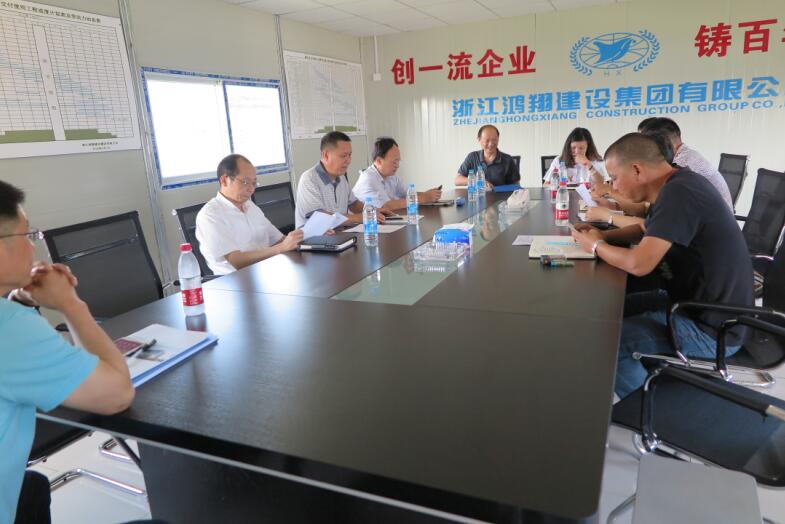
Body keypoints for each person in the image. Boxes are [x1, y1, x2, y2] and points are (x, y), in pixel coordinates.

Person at [571, 133, 752, 399]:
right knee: (605, 312)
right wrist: (604, 237)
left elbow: (639, 264)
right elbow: (647, 230)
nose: (613, 186)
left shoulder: (681, 193)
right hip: (687, 303)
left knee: (611, 344)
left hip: (713, 328)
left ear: (637, 170)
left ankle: (643, 407)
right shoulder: (677, 184)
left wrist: (596, 246)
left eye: (615, 177)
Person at [0, 180, 135, 522]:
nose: (33, 245)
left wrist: (16, 299)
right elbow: (116, 394)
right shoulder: (9, 327)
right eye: (27, 234)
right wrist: (70, 304)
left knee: (31, 487)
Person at [195, 154, 304, 275]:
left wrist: (301, 240)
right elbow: (237, 261)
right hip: (236, 280)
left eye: (254, 183)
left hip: (267, 272)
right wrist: (281, 248)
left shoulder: (250, 206)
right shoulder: (210, 215)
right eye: (245, 182)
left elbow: (278, 239)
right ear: (224, 180)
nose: (251, 189)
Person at [295, 131, 387, 228]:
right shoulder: (309, 179)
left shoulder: (341, 177)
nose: (348, 161)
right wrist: (360, 217)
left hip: (339, 233)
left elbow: (354, 204)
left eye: (350, 155)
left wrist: (373, 211)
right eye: (343, 156)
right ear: (326, 155)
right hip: (314, 236)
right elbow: (321, 218)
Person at [639, 117, 734, 211]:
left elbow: (660, 199)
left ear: (662, 142)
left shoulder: (682, 163)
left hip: (707, 216)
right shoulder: (686, 155)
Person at [353, 137, 441, 210]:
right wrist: (425, 197)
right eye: (394, 161)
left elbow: (409, 194)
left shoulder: (391, 176)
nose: (397, 165)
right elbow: (387, 206)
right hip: (361, 224)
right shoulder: (368, 178)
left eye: (398, 161)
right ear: (379, 161)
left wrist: (428, 194)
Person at [454, 125, 520, 189]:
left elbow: (516, 185)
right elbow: (457, 180)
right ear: (479, 140)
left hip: (500, 196)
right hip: (477, 195)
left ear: (498, 139)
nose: (490, 144)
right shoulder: (472, 157)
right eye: (487, 140)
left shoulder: (508, 160)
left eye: (494, 140)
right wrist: (477, 181)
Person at [543, 127, 608, 186]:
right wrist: (559, 186)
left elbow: (602, 184)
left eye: (581, 148)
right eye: (573, 147)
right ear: (568, 146)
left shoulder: (595, 161)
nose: (577, 151)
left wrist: (588, 164)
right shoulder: (559, 160)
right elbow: (545, 184)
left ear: (588, 148)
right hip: (565, 194)